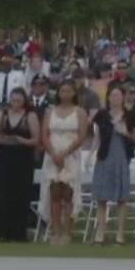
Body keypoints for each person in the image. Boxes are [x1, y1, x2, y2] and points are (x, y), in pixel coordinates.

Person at [89, 83, 135, 245]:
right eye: (113, 95)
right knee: (101, 198)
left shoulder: (131, 115)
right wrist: (91, 153)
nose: (115, 98)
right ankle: (100, 232)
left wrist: (125, 132)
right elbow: (97, 136)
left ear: (123, 97)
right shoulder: (102, 115)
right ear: (108, 98)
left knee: (121, 199)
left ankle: (120, 234)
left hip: (121, 156)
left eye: (118, 95)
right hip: (104, 156)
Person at [41, 80, 91, 246]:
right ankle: (55, 232)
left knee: (68, 193)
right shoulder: (50, 112)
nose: (65, 94)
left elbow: (82, 136)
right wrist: (54, 153)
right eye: (62, 91)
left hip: (71, 154)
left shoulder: (80, 112)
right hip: (53, 153)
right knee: (54, 192)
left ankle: (68, 232)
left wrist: (65, 152)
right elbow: (44, 135)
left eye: (69, 91)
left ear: (74, 93)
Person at [0, 88, 41, 243]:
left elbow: (36, 140)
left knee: (20, 193)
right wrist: (3, 139)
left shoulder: (30, 116)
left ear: (24, 101)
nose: (16, 104)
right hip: (4, 156)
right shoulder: (2, 114)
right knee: (1, 192)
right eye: (13, 100)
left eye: (19, 100)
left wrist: (21, 140)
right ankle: (0, 231)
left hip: (22, 158)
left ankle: (18, 232)